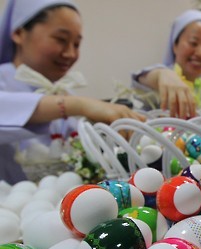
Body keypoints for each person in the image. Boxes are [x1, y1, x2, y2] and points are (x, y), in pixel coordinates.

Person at [0, 0, 145, 184]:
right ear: (19, 33)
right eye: (61, 40)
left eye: (76, 44)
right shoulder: (5, 82)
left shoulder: (64, 93)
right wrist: (76, 105)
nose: (70, 53)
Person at [132, 9, 201, 119]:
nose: (200, 53)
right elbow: (141, 79)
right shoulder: (162, 82)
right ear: (175, 45)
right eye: (193, 43)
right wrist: (161, 75)